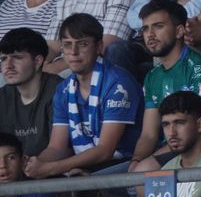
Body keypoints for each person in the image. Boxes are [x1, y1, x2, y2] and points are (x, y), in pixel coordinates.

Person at [27, 13, 140, 178]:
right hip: (85, 166)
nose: (73, 52)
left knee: (73, 185)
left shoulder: (118, 83)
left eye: (82, 44)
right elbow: (56, 147)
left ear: (99, 46)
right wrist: (33, 167)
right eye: (67, 45)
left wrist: (51, 168)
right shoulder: (63, 89)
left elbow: (105, 151)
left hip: (125, 164)